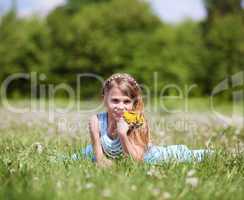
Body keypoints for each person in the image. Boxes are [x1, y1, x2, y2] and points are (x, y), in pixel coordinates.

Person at [72, 73, 213, 167]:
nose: (120, 107)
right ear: (104, 100)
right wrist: (103, 162)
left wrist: (122, 135)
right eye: (115, 101)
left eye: (126, 101)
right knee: (77, 157)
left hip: (149, 157)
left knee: (189, 157)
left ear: (133, 103)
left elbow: (137, 162)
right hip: (110, 155)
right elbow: (99, 159)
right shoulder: (96, 121)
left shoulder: (137, 121)